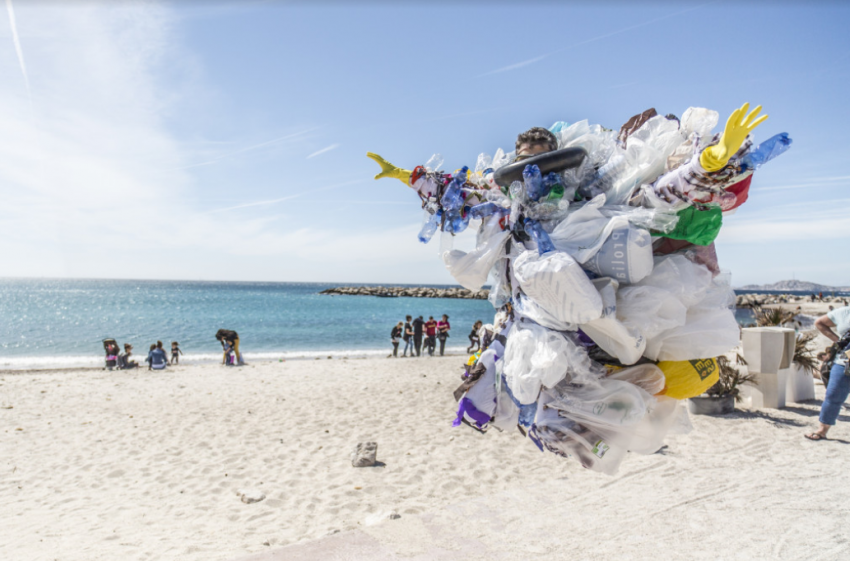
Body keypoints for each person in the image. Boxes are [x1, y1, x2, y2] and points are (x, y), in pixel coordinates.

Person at [805, 305, 850, 441]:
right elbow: (819, 323)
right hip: (843, 361)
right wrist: (838, 341)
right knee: (833, 394)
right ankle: (822, 430)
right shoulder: (844, 312)